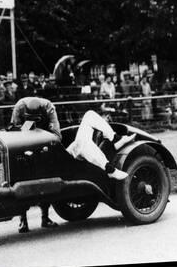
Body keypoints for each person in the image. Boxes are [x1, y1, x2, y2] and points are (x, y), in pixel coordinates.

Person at [11, 97, 136, 232]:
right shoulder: (19, 107)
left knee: (89, 116)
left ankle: (114, 142)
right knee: (23, 166)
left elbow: (56, 137)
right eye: (30, 118)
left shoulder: (49, 108)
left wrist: (37, 134)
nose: (35, 121)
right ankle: (23, 220)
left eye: (37, 119)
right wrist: (26, 130)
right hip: (30, 153)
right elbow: (13, 134)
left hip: (56, 155)